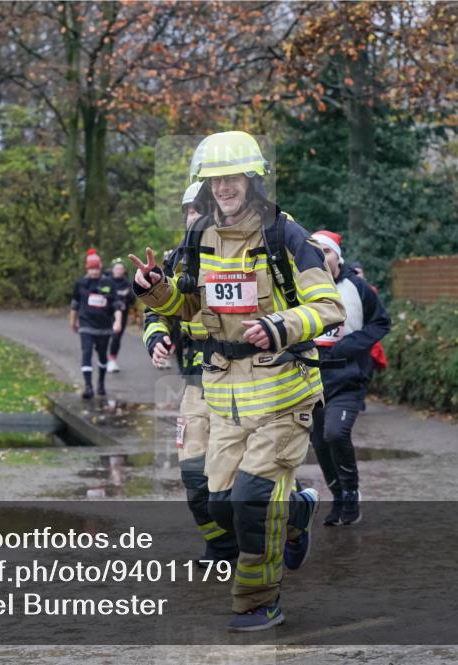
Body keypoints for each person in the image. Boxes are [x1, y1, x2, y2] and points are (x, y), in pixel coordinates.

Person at [131, 131, 345, 631]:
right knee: (222, 506)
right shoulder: (198, 237)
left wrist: (279, 326)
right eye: (215, 178)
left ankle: (257, 601)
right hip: (224, 393)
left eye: (233, 176)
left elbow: (329, 308)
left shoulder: (286, 235)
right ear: (204, 185)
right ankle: (296, 513)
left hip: (283, 391)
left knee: (251, 502)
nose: (224, 186)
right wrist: (157, 291)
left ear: (252, 178)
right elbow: (188, 308)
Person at [143, 180, 239, 565]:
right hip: (197, 381)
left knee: (242, 472)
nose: (193, 217)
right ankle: (220, 544)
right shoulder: (177, 258)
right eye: (189, 211)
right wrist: (156, 340)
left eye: (200, 210)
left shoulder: (239, 254)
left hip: (244, 377)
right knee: (194, 475)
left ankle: (293, 508)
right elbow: (158, 311)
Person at [309, 231, 390, 526]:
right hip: (311, 380)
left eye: (326, 252)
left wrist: (350, 344)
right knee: (318, 441)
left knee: (335, 434)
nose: (321, 257)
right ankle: (338, 496)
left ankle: (351, 492)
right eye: (315, 252)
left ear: (336, 257)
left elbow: (382, 322)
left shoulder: (357, 287)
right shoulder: (301, 288)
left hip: (347, 378)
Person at [70, 249, 123, 399]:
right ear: (87, 269)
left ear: (100, 268)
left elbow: (117, 305)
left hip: (104, 327)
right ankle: (88, 386)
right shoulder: (81, 284)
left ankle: (100, 383)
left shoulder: (108, 283)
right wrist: (73, 322)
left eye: (96, 268)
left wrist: (118, 322)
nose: (94, 272)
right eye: (91, 269)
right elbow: (74, 305)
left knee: (102, 356)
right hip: (86, 325)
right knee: (86, 353)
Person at [106, 258, 135, 373]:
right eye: (116, 268)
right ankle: (104, 358)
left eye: (121, 269)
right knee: (104, 337)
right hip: (106, 314)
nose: (118, 270)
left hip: (122, 315)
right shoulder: (106, 281)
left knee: (116, 337)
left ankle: (112, 360)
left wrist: (127, 296)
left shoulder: (128, 284)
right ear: (112, 270)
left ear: (124, 271)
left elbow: (133, 301)